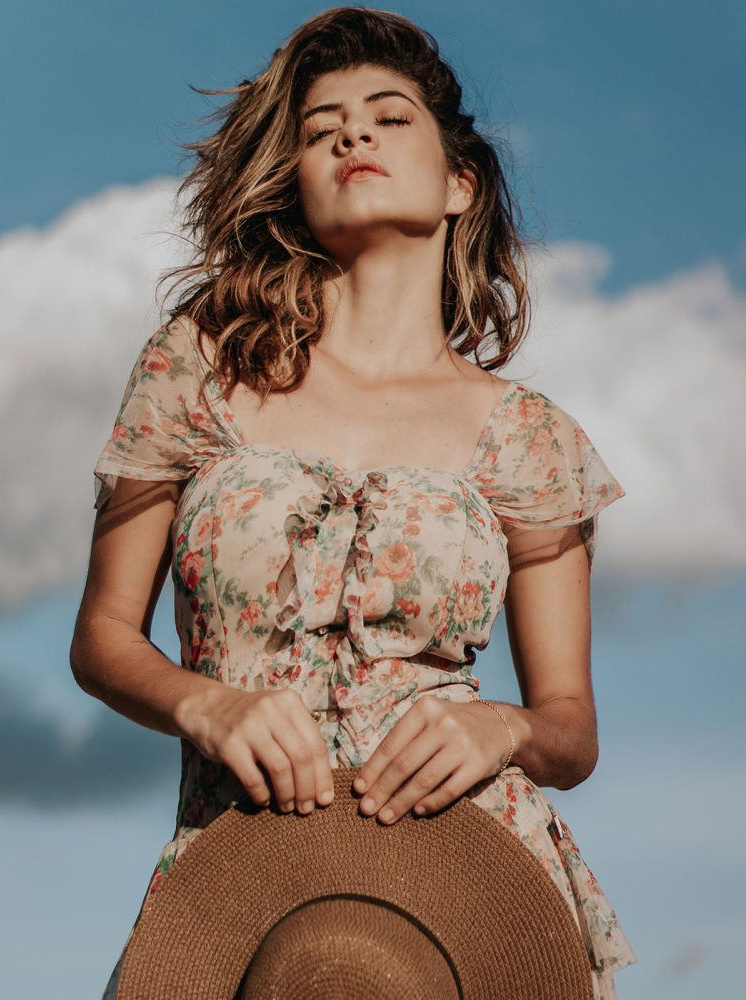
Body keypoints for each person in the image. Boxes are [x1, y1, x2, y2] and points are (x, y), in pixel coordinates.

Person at [70, 7, 638, 998]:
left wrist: (498, 728)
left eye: (387, 116)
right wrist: (203, 700)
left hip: (467, 898)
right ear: (293, 176)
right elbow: (102, 639)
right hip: (244, 885)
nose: (350, 133)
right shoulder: (196, 366)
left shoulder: (528, 435)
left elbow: (568, 729)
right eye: (320, 122)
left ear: (459, 181)